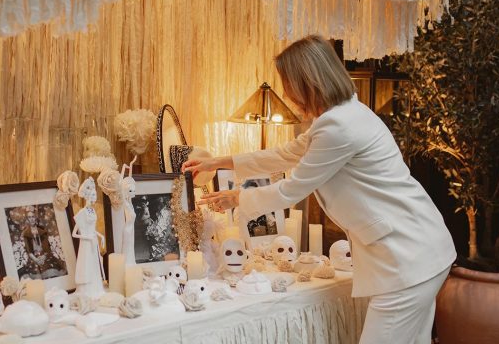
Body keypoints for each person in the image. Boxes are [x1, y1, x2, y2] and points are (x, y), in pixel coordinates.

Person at [184, 35, 456, 344]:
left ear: (307, 81)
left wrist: (236, 197)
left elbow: (292, 188)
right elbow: (287, 153)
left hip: (407, 258)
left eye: (288, 83)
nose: (286, 93)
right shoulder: (341, 116)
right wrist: (221, 162)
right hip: (421, 250)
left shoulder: (338, 126)